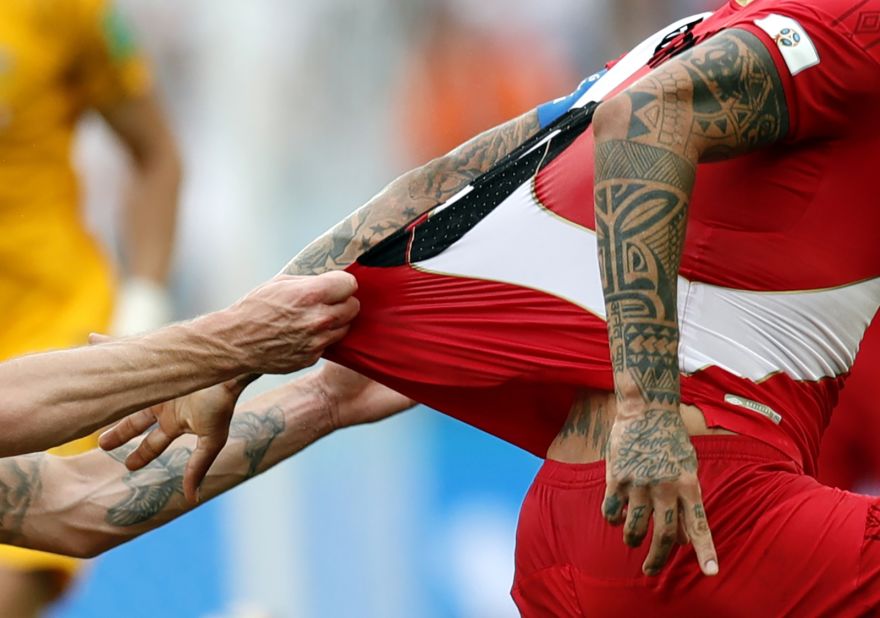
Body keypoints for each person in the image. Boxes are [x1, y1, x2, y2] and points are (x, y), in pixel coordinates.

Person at [9, 0, 878, 614]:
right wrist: (215, 345)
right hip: (694, 503)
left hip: (578, 530)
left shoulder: (702, 40)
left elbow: (76, 505)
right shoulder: (808, 37)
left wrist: (271, 373)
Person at [0, 0, 179, 610]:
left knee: (16, 574)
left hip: (50, 327)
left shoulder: (60, 9)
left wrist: (143, 305)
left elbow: (156, 154)